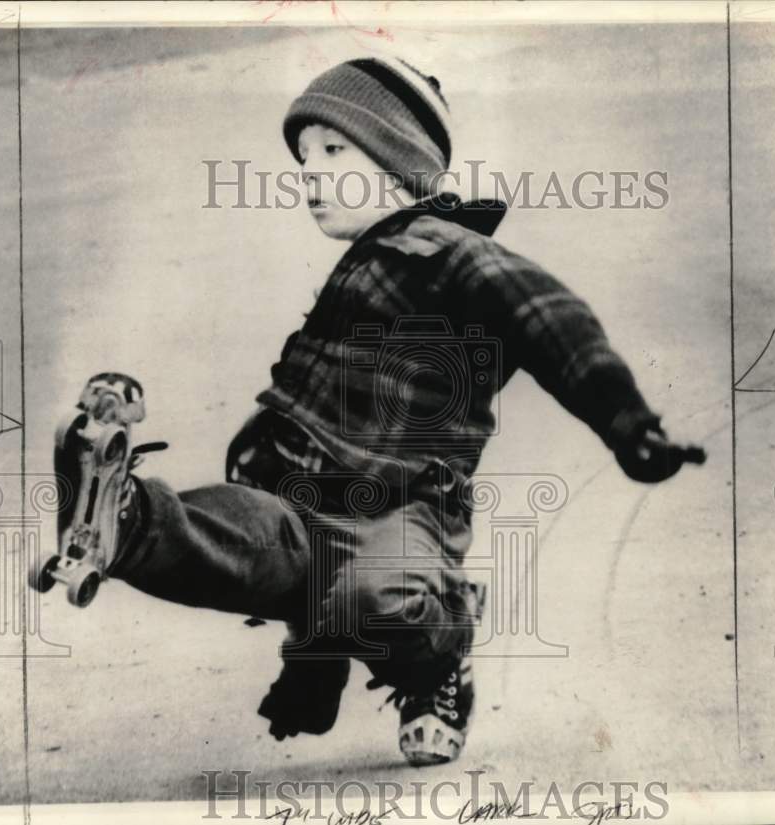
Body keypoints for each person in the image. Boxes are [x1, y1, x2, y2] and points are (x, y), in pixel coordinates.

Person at [37, 56, 705, 767]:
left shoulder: (453, 251)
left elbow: (552, 319)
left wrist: (625, 419)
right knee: (220, 543)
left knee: (376, 597)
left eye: (333, 151)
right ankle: (125, 517)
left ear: (400, 163)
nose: (310, 173)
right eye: (302, 158)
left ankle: (440, 655)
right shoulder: (364, 260)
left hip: (404, 510)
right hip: (296, 499)